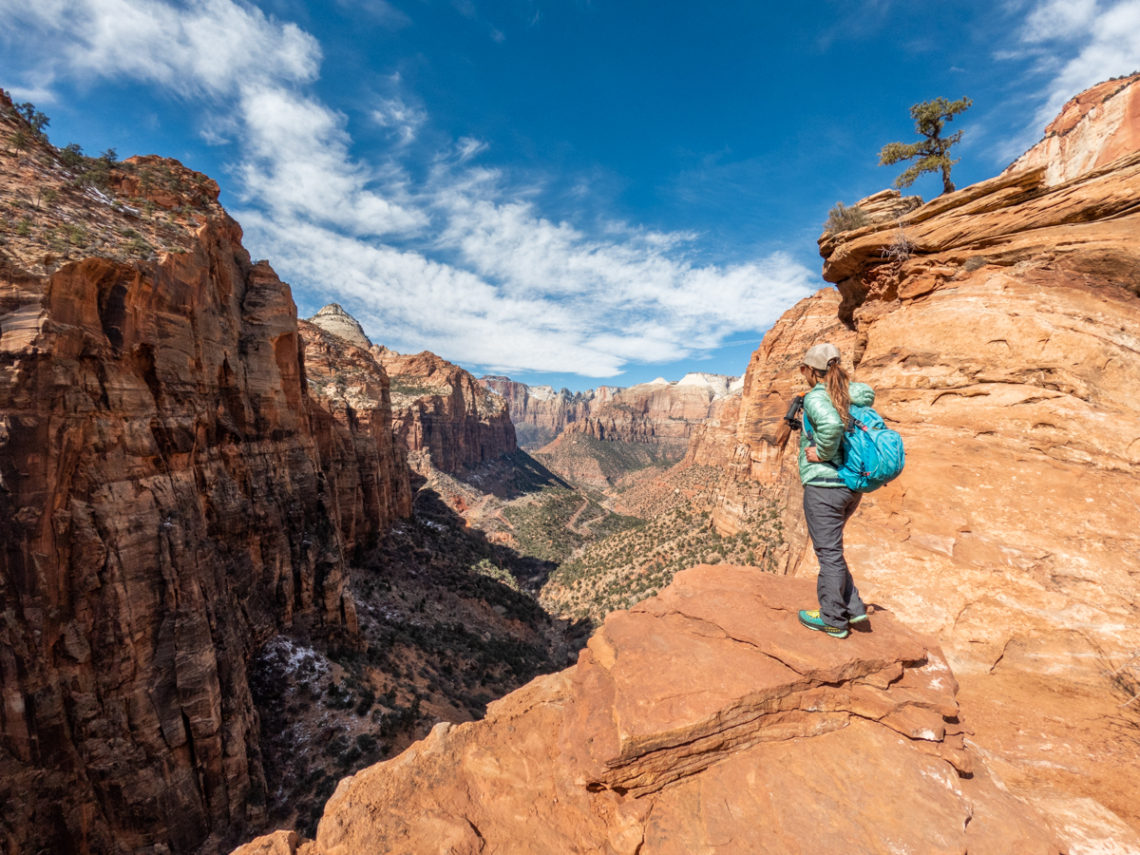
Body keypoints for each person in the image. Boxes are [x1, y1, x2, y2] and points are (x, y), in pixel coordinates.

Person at [777, 343, 875, 639]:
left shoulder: (818, 397)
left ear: (809, 370)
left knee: (828, 552)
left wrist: (821, 452)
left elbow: (831, 426)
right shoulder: (851, 393)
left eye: (803, 369)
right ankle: (853, 607)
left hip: (825, 487)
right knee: (832, 548)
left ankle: (833, 618)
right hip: (850, 485)